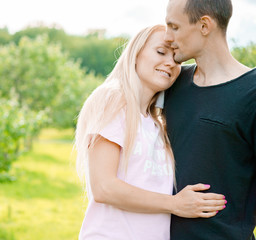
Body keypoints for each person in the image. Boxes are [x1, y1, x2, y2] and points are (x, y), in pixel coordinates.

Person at [75, 24, 226, 240]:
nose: (170, 63)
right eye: (161, 52)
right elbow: (103, 187)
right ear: (135, 55)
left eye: (177, 59)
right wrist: (176, 204)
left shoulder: (156, 124)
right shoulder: (114, 99)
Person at [163, 0, 256, 239]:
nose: (167, 37)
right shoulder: (171, 82)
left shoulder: (252, 92)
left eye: (174, 27)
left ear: (204, 25)